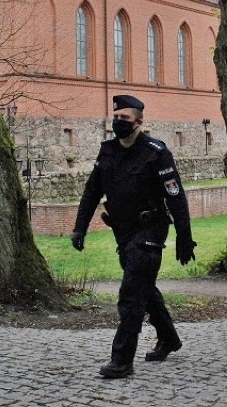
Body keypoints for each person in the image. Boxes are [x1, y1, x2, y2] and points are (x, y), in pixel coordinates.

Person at [70, 95, 197, 379]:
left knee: (130, 294)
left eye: (124, 119)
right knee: (143, 288)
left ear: (139, 122)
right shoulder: (108, 151)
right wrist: (80, 228)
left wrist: (184, 238)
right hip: (123, 232)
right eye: (116, 118)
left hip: (150, 230)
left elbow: (176, 197)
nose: (118, 123)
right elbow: (92, 192)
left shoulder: (156, 152)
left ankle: (121, 360)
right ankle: (169, 338)